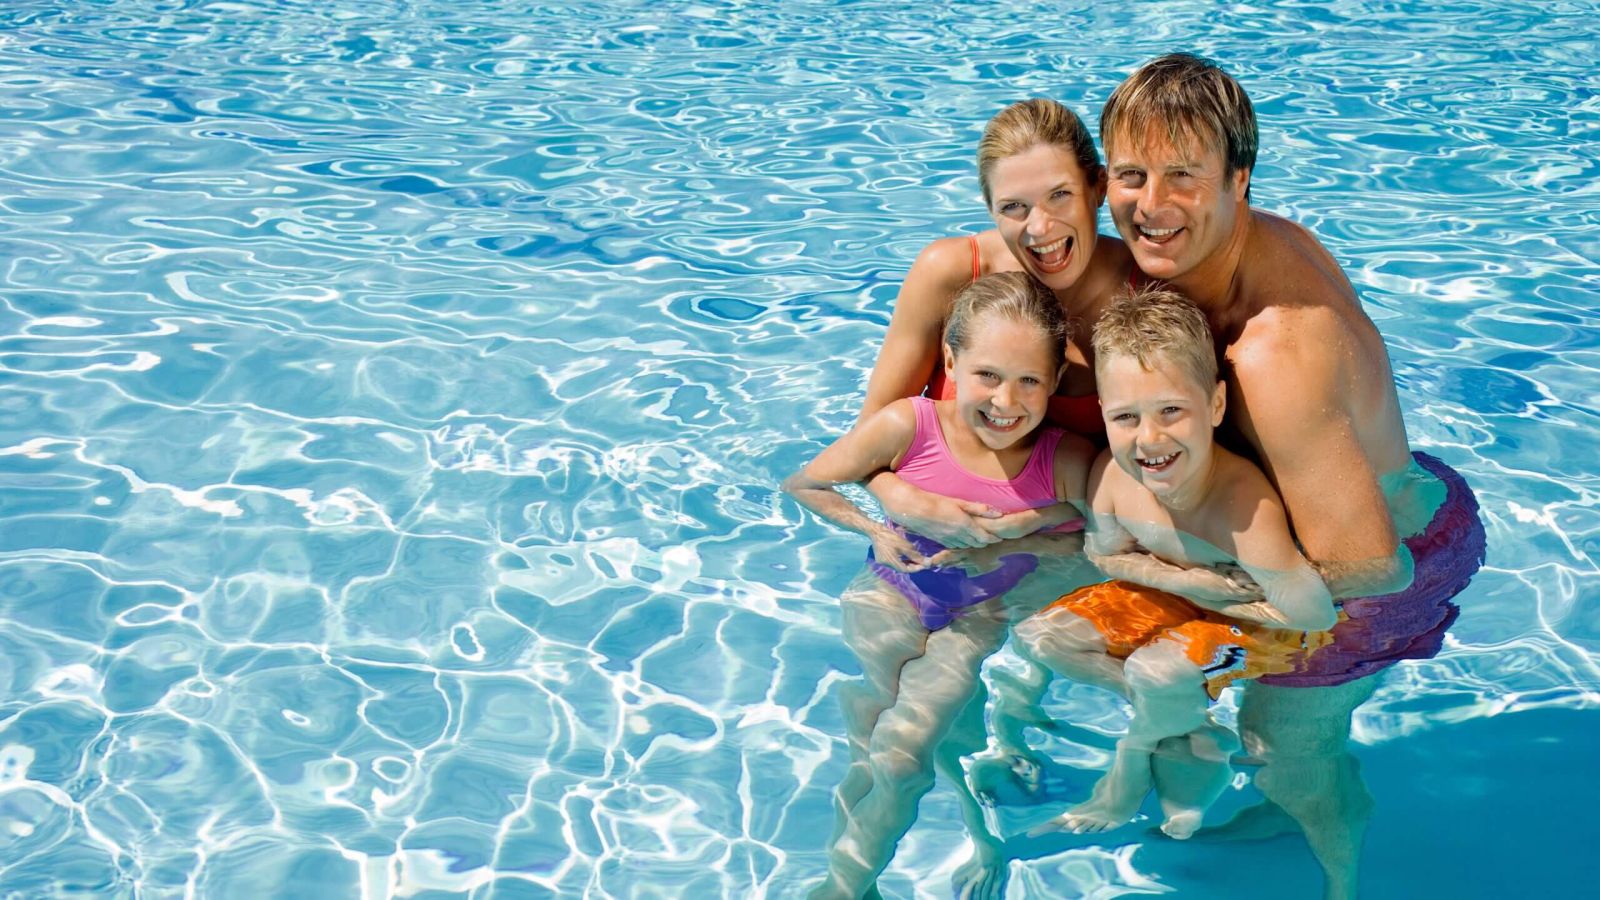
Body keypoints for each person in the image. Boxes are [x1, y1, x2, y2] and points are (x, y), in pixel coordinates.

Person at [1019, 53, 1487, 900]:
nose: (1151, 208)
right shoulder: (1218, 252)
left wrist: (1174, 574)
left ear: (1240, 179)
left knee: (1286, 751)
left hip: (1382, 573)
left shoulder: (1276, 354)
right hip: (1313, 530)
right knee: (1072, 631)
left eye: (1183, 178)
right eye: (1131, 177)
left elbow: (1377, 566)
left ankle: (1336, 853)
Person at [784, 272, 1097, 899]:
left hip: (974, 618)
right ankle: (866, 874)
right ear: (951, 360)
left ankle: (846, 889)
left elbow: (1095, 537)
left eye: (1029, 380)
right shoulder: (910, 425)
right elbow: (806, 484)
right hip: (889, 596)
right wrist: (874, 526)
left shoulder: (1064, 462)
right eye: (987, 375)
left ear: (1056, 382)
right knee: (871, 748)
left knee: (902, 755)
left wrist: (1019, 536)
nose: (1005, 400)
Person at [1018, 286, 1340, 842]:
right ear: (1104, 415)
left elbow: (1314, 614)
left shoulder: (1241, 509)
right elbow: (1104, 552)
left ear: (1215, 405)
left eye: (1172, 410)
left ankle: (1129, 766)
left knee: (1157, 670)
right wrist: (1187, 580)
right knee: (1041, 635)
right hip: (1196, 595)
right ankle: (1183, 718)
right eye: (1126, 417)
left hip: (1265, 622)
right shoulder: (1115, 478)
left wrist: (1221, 600)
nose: (1150, 439)